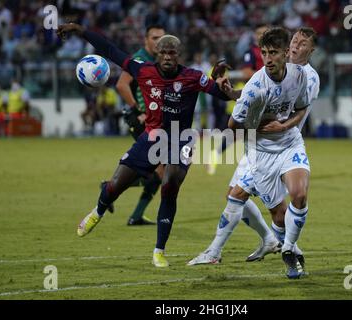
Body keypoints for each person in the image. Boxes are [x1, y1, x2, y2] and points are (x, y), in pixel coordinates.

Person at [56, 23, 235, 268]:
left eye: (172, 53)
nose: (168, 57)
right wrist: (79, 29)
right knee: (116, 184)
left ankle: (159, 251)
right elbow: (109, 50)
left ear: (178, 55)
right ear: (157, 55)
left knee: (170, 183)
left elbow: (222, 93)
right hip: (151, 137)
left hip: (181, 138)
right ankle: (97, 212)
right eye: (163, 53)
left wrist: (228, 89)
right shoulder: (143, 70)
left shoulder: (193, 77)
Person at [188, 28, 320, 275]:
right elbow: (255, 100)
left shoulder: (306, 77)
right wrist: (235, 95)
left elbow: (296, 107)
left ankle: (280, 247)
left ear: (311, 51)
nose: (295, 46)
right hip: (259, 151)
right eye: (294, 41)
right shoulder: (262, 80)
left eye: (302, 44)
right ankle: (276, 244)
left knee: (285, 196)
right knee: (252, 203)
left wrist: (281, 124)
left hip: (288, 143)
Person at [115, 25, 165, 226]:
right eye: (155, 38)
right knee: (162, 169)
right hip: (140, 121)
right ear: (146, 40)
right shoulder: (139, 59)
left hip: (153, 122)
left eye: (162, 38)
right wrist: (137, 110)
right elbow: (121, 84)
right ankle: (113, 186)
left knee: (160, 169)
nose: (158, 42)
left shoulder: (158, 60)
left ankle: (135, 214)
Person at [207, 24, 268, 175]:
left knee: (247, 132)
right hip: (255, 98)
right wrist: (267, 75)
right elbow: (246, 72)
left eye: (265, 33)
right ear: (254, 35)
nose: (261, 36)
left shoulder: (271, 52)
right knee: (242, 131)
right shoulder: (252, 52)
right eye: (259, 33)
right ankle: (218, 155)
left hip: (268, 98)